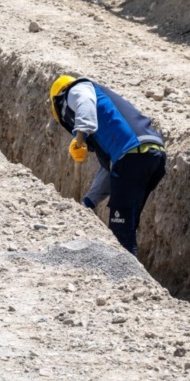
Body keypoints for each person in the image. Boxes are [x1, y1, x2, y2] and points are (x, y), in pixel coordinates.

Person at [49, 75, 167, 257]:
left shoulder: (75, 89)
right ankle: (132, 275)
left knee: (120, 232)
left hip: (134, 154)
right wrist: (89, 202)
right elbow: (111, 170)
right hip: (151, 156)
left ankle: (126, 279)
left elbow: (85, 103)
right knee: (127, 223)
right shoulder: (108, 127)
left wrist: (80, 134)